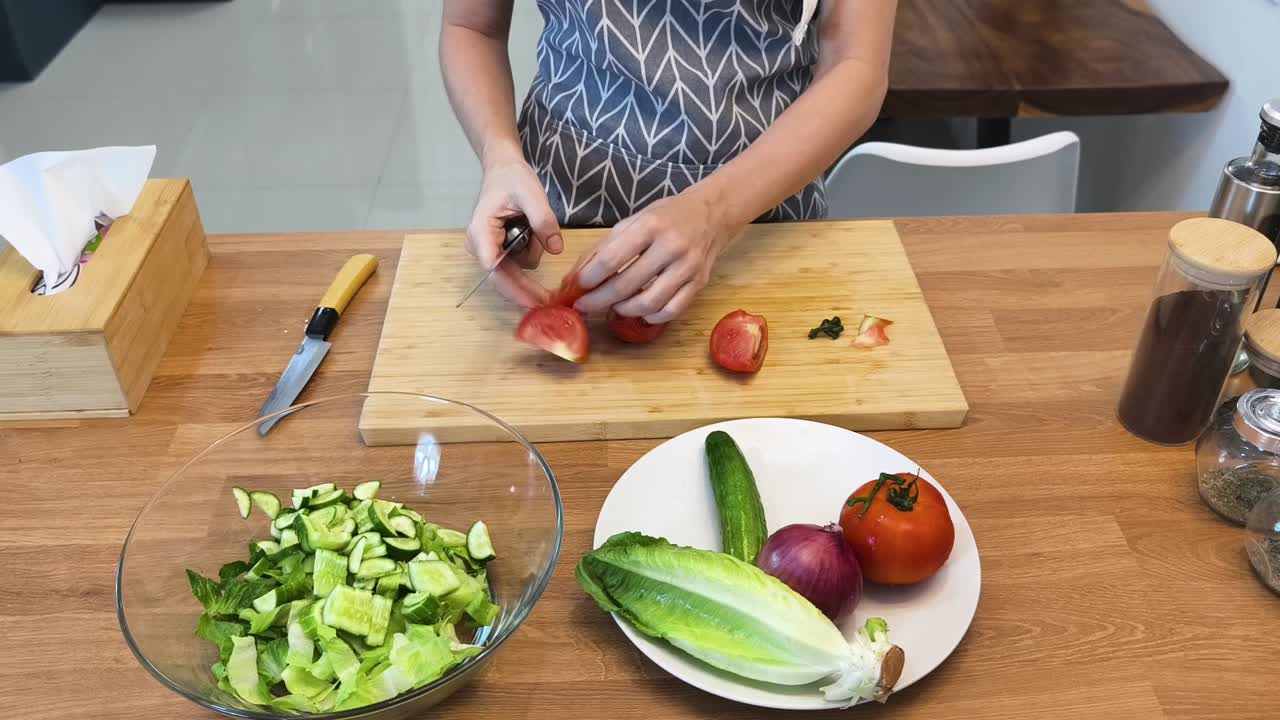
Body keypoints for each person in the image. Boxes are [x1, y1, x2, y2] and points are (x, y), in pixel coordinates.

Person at [442, 1, 897, 322]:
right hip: (558, 210)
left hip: (761, 217)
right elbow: (471, 27)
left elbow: (855, 64)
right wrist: (499, 155)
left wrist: (716, 212)